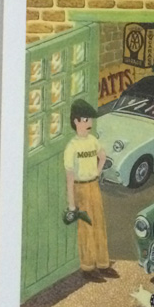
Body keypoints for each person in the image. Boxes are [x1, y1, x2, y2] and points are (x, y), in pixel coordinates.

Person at [64, 99, 119, 283]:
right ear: (76, 121)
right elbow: (69, 177)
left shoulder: (93, 141)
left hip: (93, 185)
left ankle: (103, 264)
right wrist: (72, 205)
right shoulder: (72, 147)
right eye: (85, 120)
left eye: (90, 120)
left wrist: (97, 171)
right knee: (85, 228)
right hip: (80, 188)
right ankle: (88, 267)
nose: (89, 124)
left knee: (99, 224)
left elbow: (102, 156)